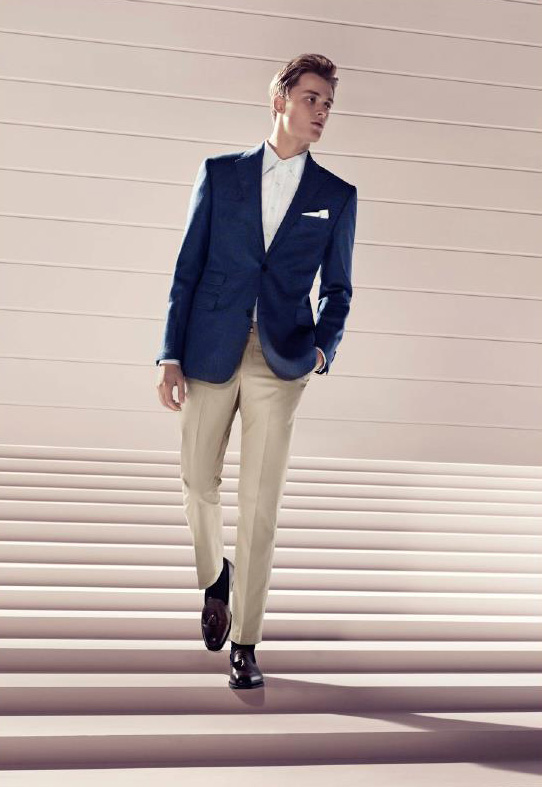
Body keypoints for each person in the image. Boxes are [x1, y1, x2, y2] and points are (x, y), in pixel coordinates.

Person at [155, 53, 357, 689]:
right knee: (197, 481)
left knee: (260, 504)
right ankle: (215, 576)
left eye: (328, 104)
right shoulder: (221, 174)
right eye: (311, 99)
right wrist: (169, 354)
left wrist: (321, 350)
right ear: (280, 99)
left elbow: (340, 290)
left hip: (281, 360)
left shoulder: (336, 196)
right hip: (208, 347)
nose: (321, 112)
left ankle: (245, 640)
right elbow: (187, 268)